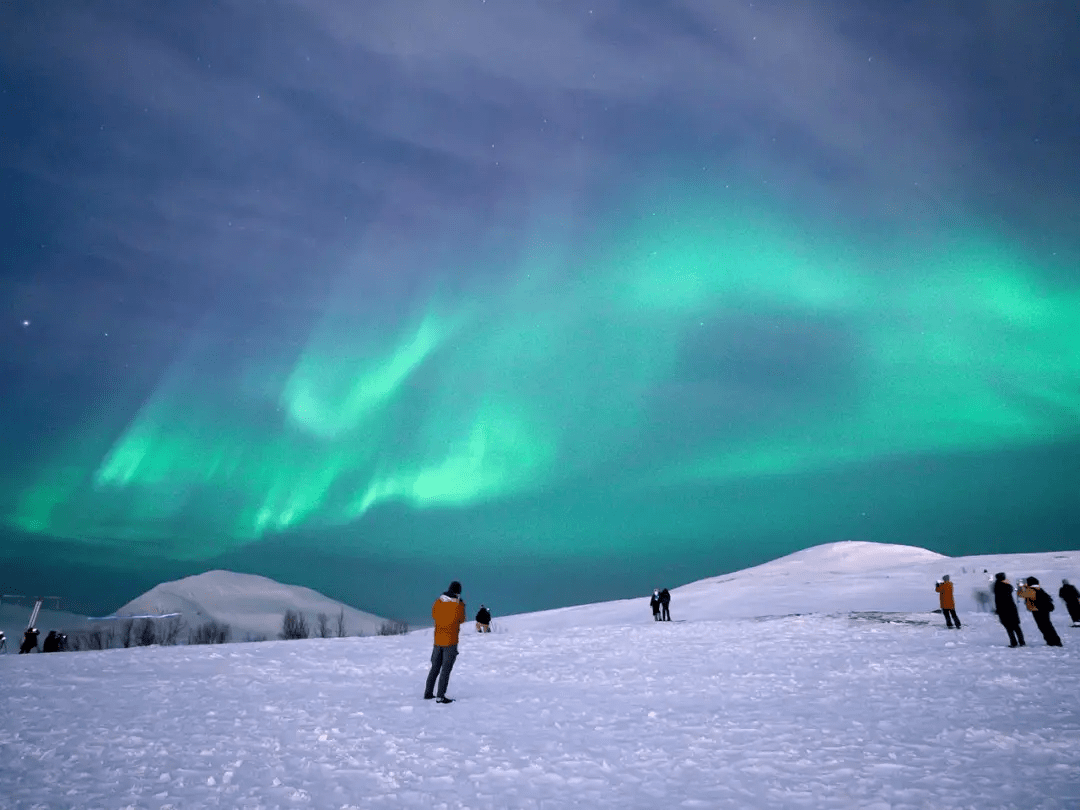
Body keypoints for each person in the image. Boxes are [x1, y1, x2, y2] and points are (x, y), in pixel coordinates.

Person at [425, 580, 466, 703]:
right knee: (445, 670)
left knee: (435, 668)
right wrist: (461, 605)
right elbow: (462, 619)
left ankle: (428, 693)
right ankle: (440, 696)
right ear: (458, 592)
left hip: (437, 641)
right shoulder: (457, 606)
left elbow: (434, 615)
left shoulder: (438, 603)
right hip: (451, 642)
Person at [1018, 577, 1062, 647]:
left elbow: (1021, 595)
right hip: (1044, 609)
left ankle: (1053, 641)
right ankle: (1054, 641)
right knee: (1047, 625)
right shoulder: (1038, 588)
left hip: (1038, 610)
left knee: (1043, 626)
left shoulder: (1031, 590)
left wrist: (1020, 586)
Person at [993, 573, 1025, 647]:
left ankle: (1013, 642)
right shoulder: (1006, 586)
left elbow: (998, 599)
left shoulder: (997, 586)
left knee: (1009, 627)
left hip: (1003, 609)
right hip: (1011, 608)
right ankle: (1021, 641)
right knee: (1016, 627)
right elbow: (1010, 589)